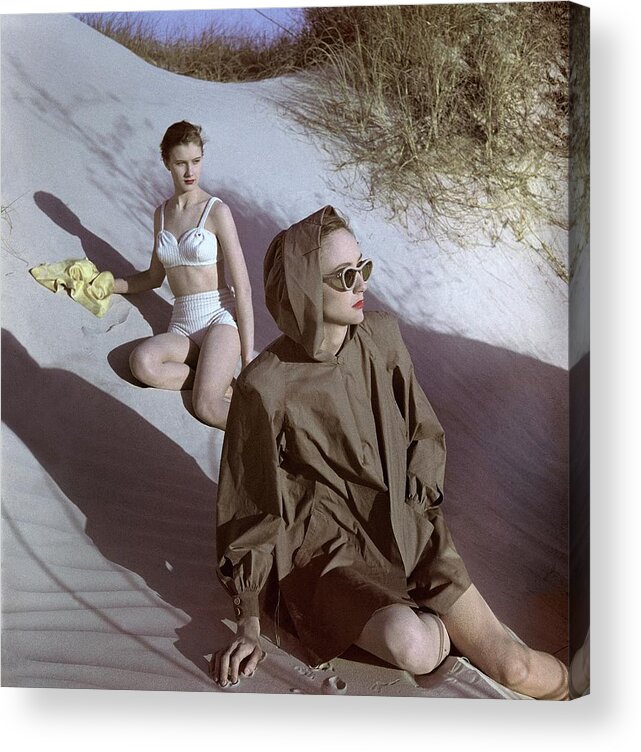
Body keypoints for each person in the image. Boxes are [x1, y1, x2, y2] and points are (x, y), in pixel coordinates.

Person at [212, 206, 568, 699]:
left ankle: (586, 696)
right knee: (413, 647)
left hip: (409, 533)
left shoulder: (382, 336)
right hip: (329, 555)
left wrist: (421, 518)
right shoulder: (265, 385)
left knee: (515, 668)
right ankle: (438, 634)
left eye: (364, 267)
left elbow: (424, 431)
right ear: (303, 289)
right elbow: (250, 505)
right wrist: (248, 620)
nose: (362, 284)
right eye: (346, 275)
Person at [112, 121, 253, 429]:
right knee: (142, 363)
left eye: (196, 161)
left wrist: (247, 358)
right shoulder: (161, 214)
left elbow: (243, 289)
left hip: (219, 321)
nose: (190, 171)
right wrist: (111, 285)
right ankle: (218, 382)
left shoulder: (217, 211)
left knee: (206, 406)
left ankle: (274, 440)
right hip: (182, 326)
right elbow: (152, 278)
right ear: (167, 163)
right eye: (181, 163)